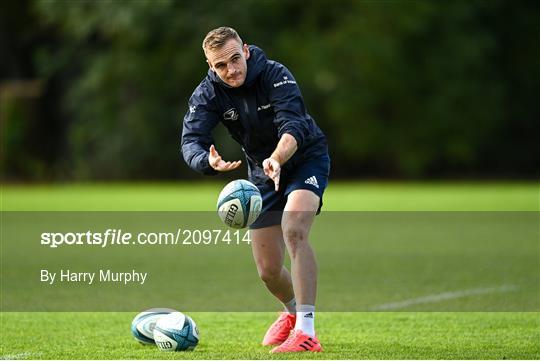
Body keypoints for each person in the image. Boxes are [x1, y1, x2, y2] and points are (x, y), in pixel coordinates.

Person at [181, 27, 330, 353]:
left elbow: (294, 126)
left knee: (294, 229)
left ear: (246, 51)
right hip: (260, 173)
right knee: (268, 271)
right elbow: (191, 140)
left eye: (235, 59)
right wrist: (207, 161)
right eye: (221, 65)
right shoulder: (209, 93)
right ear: (210, 67)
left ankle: (307, 333)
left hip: (304, 159)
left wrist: (277, 157)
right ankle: (291, 313)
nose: (231, 70)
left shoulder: (275, 75)